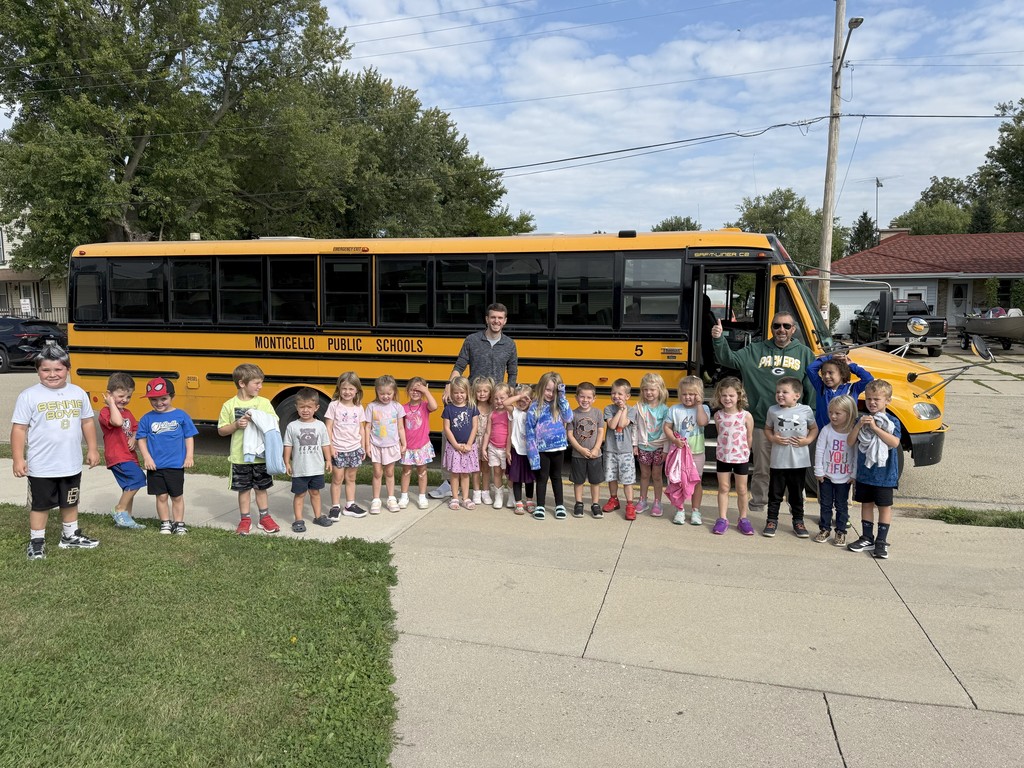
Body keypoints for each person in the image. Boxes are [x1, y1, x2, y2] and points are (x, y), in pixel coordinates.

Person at [711, 312, 816, 513]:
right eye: (777, 326)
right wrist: (718, 339)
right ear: (772, 328)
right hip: (761, 421)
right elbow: (728, 359)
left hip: (793, 425)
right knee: (762, 469)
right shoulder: (754, 350)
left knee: (794, 470)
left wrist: (810, 416)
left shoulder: (804, 353)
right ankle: (759, 504)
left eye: (786, 326)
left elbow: (811, 388)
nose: (781, 330)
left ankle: (796, 508)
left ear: (793, 329)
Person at [11, 345, 101, 560]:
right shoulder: (29, 396)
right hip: (41, 465)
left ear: (68, 369)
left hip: (70, 463)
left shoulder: (78, 393)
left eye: (58, 370)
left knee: (70, 500)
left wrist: (93, 449)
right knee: (40, 505)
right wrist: (17, 458)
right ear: (38, 371)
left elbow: (87, 422)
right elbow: (19, 428)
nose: (52, 375)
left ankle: (69, 536)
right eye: (46, 370)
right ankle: (37, 542)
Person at [431, 303, 518, 498]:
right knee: (454, 432)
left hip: (494, 402)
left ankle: (497, 486)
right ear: (487, 319)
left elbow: (512, 373)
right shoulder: (472, 340)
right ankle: (448, 481)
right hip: (472, 397)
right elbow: (460, 365)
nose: (496, 321)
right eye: (493, 317)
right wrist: (448, 384)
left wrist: (508, 400)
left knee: (490, 443)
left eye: (500, 318)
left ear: (505, 321)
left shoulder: (510, 344)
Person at [217, 363, 284, 535]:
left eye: (261, 383)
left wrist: (258, 419)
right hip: (240, 457)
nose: (260, 387)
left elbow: (273, 422)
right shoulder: (229, 405)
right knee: (244, 490)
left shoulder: (263, 403)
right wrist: (236, 425)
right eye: (257, 383)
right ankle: (245, 519)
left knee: (261, 489)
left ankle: (265, 518)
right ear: (242, 383)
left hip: (261, 456)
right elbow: (221, 430)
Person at [846, 380, 902, 559]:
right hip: (865, 473)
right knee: (866, 504)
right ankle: (867, 537)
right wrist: (859, 426)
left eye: (877, 399)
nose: (872, 402)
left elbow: (894, 443)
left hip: (885, 475)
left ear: (888, 401)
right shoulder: (860, 419)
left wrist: (875, 428)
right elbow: (850, 442)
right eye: (869, 398)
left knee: (884, 507)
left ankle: (881, 541)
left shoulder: (892, 421)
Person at [137, 377, 198, 535]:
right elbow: (141, 440)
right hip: (155, 465)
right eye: (154, 399)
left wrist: (189, 456)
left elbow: (188, 436)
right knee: (161, 496)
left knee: (176, 496)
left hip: (175, 465)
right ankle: (165, 522)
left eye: (163, 398)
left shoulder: (181, 416)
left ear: (172, 396)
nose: (159, 403)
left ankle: (179, 523)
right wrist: (147, 458)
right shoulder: (146, 419)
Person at [763, 376, 818, 538]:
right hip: (778, 461)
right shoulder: (773, 410)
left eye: (784, 392)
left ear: (796, 395)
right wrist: (773, 438)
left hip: (798, 461)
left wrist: (807, 440)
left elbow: (813, 428)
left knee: (796, 493)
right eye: (778, 392)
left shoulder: (805, 410)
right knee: (775, 493)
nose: (780, 394)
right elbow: (767, 429)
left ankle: (798, 521)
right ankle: (771, 520)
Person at [98, 372, 147, 529]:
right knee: (138, 479)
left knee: (128, 487)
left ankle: (127, 518)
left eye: (128, 397)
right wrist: (111, 404)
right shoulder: (105, 412)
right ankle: (119, 510)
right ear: (109, 394)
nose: (125, 400)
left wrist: (133, 437)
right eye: (120, 396)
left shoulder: (128, 413)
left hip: (130, 455)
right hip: (118, 455)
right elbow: (117, 422)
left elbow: (135, 428)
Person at [282, 387, 333, 532]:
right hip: (300, 469)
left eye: (309, 407)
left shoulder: (320, 425)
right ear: (296, 407)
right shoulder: (292, 426)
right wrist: (287, 462)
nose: (305, 410)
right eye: (302, 407)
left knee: (315, 493)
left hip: (316, 468)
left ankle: (318, 516)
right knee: (300, 495)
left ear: (316, 407)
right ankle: (298, 520)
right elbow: (288, 445)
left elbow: (325, 444)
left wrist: (328, 460)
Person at [526, 371, 573, 520]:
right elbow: (529, 432)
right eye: (547, 390)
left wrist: (562, 397)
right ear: (541, 388)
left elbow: (569, 417)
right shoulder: (534, 407)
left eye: (554, 391)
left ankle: (560, 505)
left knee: (556, 477)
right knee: (541, 477)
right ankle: (540, 505)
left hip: (558, 448)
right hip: (541, 449)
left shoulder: (559, 405)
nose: (550, 394)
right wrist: (532, 454)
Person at [664, 375, 710, 526]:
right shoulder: (674, 409)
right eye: (684, 394)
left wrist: (699, 405)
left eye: (692, 394)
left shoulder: (703, 408)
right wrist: (674, 440)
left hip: (697, 452)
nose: (687, 397)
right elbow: (667, 427)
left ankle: (696, 510)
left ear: (699, 395)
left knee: (696, 482)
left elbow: (703, 422)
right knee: (679, 482)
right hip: (680, 453)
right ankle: (680, 509)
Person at [711, 376, 755, 535]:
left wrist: (745, 452)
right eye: (724, 395)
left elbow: (749, 436)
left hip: (741, 458)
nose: (727, 399)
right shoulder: (718, 416)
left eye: (731, 395)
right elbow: (720, 433)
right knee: (723, 488)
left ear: (739, 396)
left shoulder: (746, 416)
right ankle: (722, 518)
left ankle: (743, 518)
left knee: (742, 489)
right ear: (719, 396)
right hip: (723, 456)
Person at [813, 394, 857, 547]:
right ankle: (824, 529)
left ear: (849, 413)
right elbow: (819, 450)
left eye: (838, 413)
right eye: (831, 412)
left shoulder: (852, 431)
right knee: (825, 504)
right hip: (827, 476)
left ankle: (841, 531)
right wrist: (818, 470)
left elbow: (856, 454)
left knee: (841, 505)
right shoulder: (826, 430)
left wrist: (854, 474)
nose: (833, 416)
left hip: (844, 477)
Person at [324, 371, 369, 519]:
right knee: (337, 478)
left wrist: (362, 446)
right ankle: (335, 506)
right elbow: (328, 427)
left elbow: (361, 428)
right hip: (338, 448)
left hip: (354, 448)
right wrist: (331, 447)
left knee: (351, 478)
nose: (347, 392)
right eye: (344, 388)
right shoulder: (334, 406)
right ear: (339, 389)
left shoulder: (358, 407)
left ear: (357, 390)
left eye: (351, 389)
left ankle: (350, 505)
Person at [365, 374, 406, 514]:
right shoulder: (371, 406)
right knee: (377, 472)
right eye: (382, 393)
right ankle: (376, 500)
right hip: (376, 445)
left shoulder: (397, 407)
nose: (385, 396)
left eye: (389, 393)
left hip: (392, 445)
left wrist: (403, 443)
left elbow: (401, 427)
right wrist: (367, 445)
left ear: (394, 392)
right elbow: (367, 427)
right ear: (376, 391)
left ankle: (391, 498)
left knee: (389, 472)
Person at [567, 381, 606, 518]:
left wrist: (596, 448)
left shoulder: (597, 413)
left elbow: (601, 432)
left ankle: (595, 504)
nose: (585, 400)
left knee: (595, 481)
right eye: (582, 396)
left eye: (589, 397)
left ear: (594, 399)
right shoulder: (572, 414)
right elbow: (570, 435)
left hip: (595, 454)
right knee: (578, 481)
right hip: (578, 455)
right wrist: (580, 449)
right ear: (576, 397)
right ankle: (579, 503)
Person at [602, 378, 639, 520]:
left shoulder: (631, 410)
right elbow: (612, 425)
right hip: (611, 450)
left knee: (627, 480)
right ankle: (613, 499)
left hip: (626, 452)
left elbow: (623, 424)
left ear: (627, 397)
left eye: (619, 394)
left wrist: (624, 409)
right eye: (613, 393)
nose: (616, 396)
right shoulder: (608, 409)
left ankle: (630, 504)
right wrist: (620, 410)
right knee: (611, 477)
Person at [441, 376, 479, 509]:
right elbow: (446, 428)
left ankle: (466, 497)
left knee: (465, 473)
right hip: (454, 447)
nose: (459, 395)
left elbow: (475, 427)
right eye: (456, 392)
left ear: (467, 392)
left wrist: (469, 444)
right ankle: (455, 498)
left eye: (462, 392)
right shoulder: (448, 409)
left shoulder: (472, 407)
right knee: (454, 473)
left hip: (469, 446)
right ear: (451, 393)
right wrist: (455, 445)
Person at [807, 353, 874, 429]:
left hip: (846, 436)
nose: (826, 376)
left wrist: (850, 365)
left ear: (842, 374)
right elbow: (810, 369)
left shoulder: (853, 389)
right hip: (822, 434)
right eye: (823, 373)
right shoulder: (821, 387)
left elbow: (868, 379)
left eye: (830, 373)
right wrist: (830, 357)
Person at [400, 377, 437, 510]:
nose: (415, 392)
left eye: (418, 390)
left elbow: (435, 406)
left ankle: (422, 496)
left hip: (422, 445)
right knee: (406, 471)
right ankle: (404, 496)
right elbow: (400, 428)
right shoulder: (403, 408)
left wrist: (426, 392)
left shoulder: (424, 406)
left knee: (422, 471)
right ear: (407, 390)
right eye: (412, 389)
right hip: (408, 446)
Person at [635, 372, 669, 517]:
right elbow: (634, 427)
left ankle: (657, 502)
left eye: (652, 389)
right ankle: (642, 500)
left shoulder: (665, 409)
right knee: (644, 475)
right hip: (643, 446)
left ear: (660, 390)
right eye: (645, 389)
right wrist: (635, 445)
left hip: (659, 446)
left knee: (656, 476)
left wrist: (666, 450)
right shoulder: (639, 407)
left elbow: (668, 431)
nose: (648, 392)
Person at [482, 382, 514, 509]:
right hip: (493, 447)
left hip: (506, 449)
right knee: (496, 472)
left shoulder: (509, 414)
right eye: (496, 398)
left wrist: (508, 450)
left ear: (508, 398)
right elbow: (488, 432)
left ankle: (511, 495)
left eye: (502, 398)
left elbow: (510, 434)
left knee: (508, 473)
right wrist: (484, 447)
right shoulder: (492, 414)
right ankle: (498, 496)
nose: (499, 401)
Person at [506, 384, 536, 515]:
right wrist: (518, 396)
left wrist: (532, 401)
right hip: (516, 450)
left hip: (530, 451)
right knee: (516, 478)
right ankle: (518, 502)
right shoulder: (514, 412)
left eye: (526, 400)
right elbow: (505, 402)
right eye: (519, 400)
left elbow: (539, 404)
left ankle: (529, 500)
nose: (522, 402)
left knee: (530, 478)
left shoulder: (533, 412)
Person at [470, 376, 494, 505]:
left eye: (485, 391)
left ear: (490, 393)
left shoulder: (493, 407)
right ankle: (476, 492)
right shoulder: (472, 407)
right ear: (474, 392)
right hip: (474, 441)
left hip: (488, 442)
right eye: (479, 391)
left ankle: (485, 491)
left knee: (485, 469)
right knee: (475, 469)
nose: (482, 394)